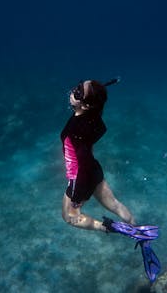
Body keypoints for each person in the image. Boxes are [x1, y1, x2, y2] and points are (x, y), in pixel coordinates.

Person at [61, 79, 136, 232]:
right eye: (78, 86)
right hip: (94, 170)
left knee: (69, 217)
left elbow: (83, 164)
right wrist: (101, 88)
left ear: (87, 105)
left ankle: (109, 227)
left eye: (78, 92)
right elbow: (100, 129)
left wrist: (76, 200)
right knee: (115, 204)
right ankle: (137, 228)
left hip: (80, 176)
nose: (73, 91)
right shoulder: (93, 116)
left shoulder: (77, 131)